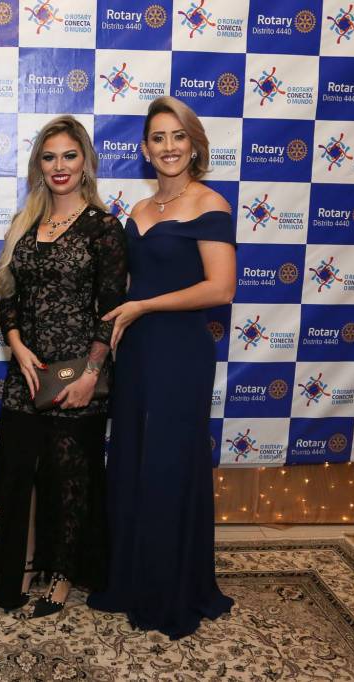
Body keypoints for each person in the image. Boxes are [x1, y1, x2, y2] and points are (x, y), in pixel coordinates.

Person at [87, 96, 236, 639]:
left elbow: (220, 288)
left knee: (171, 463)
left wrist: (144, 306)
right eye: (158, 138)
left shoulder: (210, 204)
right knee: (132, 459)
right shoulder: (140, 209)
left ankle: (171, 589)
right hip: (137, 350)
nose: (169, 147)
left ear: (194, 145)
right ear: (145, 149)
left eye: (178, 136)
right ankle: (131, 581)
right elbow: (129, 282)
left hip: (180, 351)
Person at [0, 116, 127, 617]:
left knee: (69, 479)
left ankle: (62, 575)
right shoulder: (24, 224)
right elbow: (6, 294)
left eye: (69, 155)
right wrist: (15, 345)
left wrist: (91, 375)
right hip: (26, 373)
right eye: (49, 156)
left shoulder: (104, 228)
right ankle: (17, 568)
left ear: (85, 163)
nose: (59, 166)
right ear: (38, 165)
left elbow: (111, 310)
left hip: (78, 375)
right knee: (19, 473)